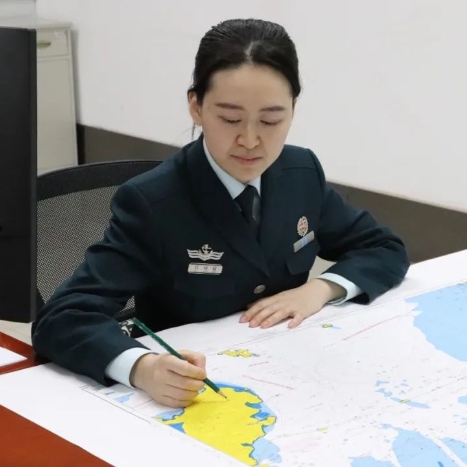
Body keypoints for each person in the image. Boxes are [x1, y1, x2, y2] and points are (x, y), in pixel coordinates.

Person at [31, 18, 410, 408]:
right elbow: (62, 318)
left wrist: (320, 289)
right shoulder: (153, 202)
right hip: (198, 389)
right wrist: (142, 367)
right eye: (230, 119)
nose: (250, 140)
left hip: (290, 372)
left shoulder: (300, 172)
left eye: (271, 120)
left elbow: (383, 247)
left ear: (293, 109)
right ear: (196, 106)